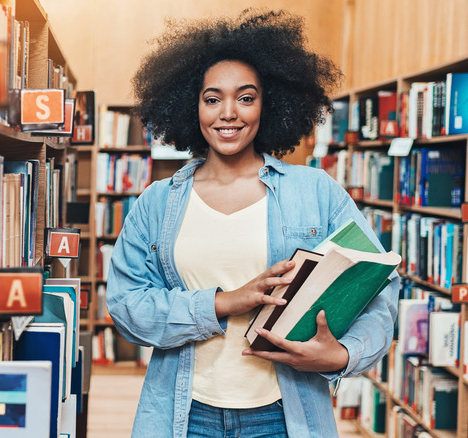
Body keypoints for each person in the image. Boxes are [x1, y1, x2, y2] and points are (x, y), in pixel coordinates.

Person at [105, 9, 399, 438]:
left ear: (269, 103)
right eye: (212, 98)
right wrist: (224, 302)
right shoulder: (157, 202)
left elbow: (379, 285)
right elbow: (128, 307)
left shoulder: (316, 191)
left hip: (285, 416)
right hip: (184, 414)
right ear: (191, 106)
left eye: (245, 97)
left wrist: (341, 356)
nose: (228, 113)